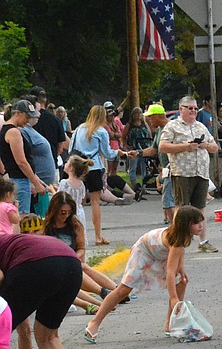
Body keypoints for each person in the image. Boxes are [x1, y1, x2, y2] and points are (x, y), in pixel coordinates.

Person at [0, 229, 84, 349]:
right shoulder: (13, 244)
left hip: (37, 265)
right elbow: (24, 329)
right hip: (71, 265)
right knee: (48, 336)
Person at [83, 206, 205, 343]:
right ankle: (94, 323)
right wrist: (173, 298)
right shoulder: (175, 240)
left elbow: (180, 250)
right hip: (143, 251)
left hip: (159, 254)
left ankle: (169, 324)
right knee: (124, 289)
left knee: (182, 281)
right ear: (185, 225)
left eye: (201, 222)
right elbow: (170, 270)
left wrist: (181, 267)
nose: (201, 226)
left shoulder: (183, 236)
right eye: (196, 223)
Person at [159, 96, 218, 252]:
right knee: (181, 206)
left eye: (195, 108)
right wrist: (185, 146)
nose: (193, 111)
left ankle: (203, 241)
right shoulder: (172, 126)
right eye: (190, 108)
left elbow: (215, 147)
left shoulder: (201, 127)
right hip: (182, 172)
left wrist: (206, 145)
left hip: (201, 172)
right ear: (181, 109)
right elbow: (163, 146)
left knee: (200, 207)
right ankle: (176, 240)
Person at [72, 105, 136, 245]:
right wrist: (119, 152)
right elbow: (107, 153)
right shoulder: (101, 131)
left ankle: (77, 235)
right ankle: (98, 236)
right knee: (95, 202)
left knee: (78, 202)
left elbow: (71, 148)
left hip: (78, 167)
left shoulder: (79, 129)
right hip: (94, 167)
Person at [1, 100, 51, 215]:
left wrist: (37, 180)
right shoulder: (13, 132)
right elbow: (21, 161)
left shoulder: (7, 130)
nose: (28, 120)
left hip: (16, 179)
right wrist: (36, 184)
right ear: (17, 113)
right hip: (19, 180)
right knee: (22, 217)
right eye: (27, 116)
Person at [138, 103, 176, 225]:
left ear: (158, 116)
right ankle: (174, 227)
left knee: (168, 199)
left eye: (150, 116)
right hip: (165, 169)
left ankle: (176, 228)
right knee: (169, 199)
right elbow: (154, 149)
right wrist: (137, 153)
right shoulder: (159, 130)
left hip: (174, 167)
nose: (148, 119)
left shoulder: (171, 127)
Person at [17, 106, 58, 217]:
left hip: (40, 184)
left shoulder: (28, 130)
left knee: (38, 218)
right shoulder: (20, 131)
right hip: (31, 184)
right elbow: (22, 161)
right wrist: (34, 182)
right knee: (27, 218)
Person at [58, 156, 92, 247]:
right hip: (79, 211)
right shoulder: (81, 184)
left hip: (68, 212)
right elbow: (83, 199)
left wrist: (52, 190)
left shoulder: (64, 182)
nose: (65, 164)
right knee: (79, 232)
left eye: (67, 163)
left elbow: (60, 197)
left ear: (71, 168)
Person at [122, 107, 152, 200]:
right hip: (134, 149)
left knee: (145, 168)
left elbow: (150, 135)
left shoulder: (144, 124)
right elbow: (123, 137)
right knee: (133, 168)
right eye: (136, 114)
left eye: (139, 114)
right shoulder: (129, 125)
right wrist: (126, 146)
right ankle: (134, 186)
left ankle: (143, 187)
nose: (138, 116)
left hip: (144, 150)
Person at [28, 86, 67, 158]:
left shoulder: (28, 119)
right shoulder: (56, 120)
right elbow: (60, 148)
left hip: (32, 162)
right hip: (51, 162)